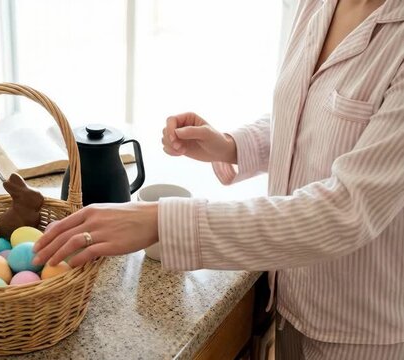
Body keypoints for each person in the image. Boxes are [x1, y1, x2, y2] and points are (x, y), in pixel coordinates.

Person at [32, 0, 404, 358]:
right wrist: (231, 145)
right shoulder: (318, 4)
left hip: (363, 331)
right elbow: (307, 111)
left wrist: (161, 221)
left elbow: (345, 211)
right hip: (292, 300)